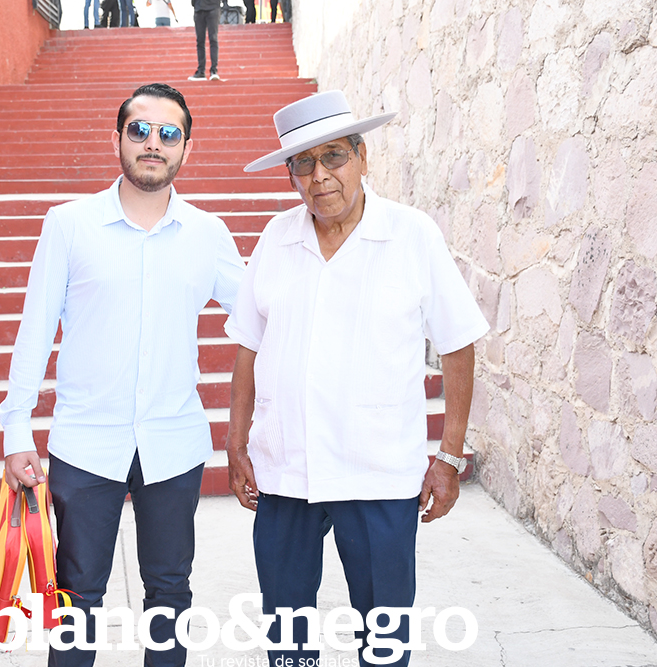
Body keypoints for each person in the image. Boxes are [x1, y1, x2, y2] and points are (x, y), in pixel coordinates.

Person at [224, 90, 489, 667]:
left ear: (363, 157)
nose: (319, 176)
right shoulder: (276, 238)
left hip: (377, 471)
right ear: (291, 175)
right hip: (286, 467)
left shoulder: (412, 234)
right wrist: (236, 440)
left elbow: (458, 344)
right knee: (287, 632)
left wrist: (449, 457)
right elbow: (249, 345)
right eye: (303, 164)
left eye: (334, 156)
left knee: (384, 633)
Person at [0, 82, 245, 667]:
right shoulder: (69, 224)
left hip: (173, 443)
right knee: (77, 596)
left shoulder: (208, 234)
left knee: (170, 593)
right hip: (87, 443)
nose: (153, 143)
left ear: (186, 147)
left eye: (169, 133)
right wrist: (16, 430)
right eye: (140, 130)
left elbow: (262, 314)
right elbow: (35, 329)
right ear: (117, 140)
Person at [188, 0, 220, 81]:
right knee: (200, 41)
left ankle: (214, 71)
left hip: (213, 8)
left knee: (213, 39)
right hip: (199, 9)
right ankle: (201, 71)